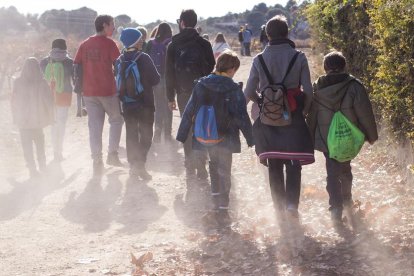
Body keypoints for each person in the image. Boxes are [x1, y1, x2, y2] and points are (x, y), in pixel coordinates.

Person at [244, 15, 314, 223]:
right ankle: (292, 205)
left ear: (267, 35)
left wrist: (264, 103)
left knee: (274, 162)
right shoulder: (299, 57)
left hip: (268, 117)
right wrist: (303, 110)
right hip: (293, 115)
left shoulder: (259, 59)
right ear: (287, 33)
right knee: (293, 161)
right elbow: (308, 90)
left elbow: (248, 91)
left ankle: (278, 209)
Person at [177, 51, 253, 226]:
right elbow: (241, 115)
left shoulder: (202, 84)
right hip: (226, 136)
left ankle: (215, 202)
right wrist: (251, 138)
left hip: (206, 135)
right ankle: (223, 209)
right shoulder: (233, 88)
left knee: (213, 166)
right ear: (232, 69)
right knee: (225, 170)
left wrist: (182, 134)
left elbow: (190, 110)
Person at [307, 51, 378, 224]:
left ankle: (335, 208)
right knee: (345, 168)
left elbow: (312, 115)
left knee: (332, 172)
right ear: (344, 66)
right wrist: (371, 135)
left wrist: (308, 138)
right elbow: (365, 113)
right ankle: (346, 200)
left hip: (326, 139)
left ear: (325, 68)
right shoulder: (354, 85)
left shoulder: (317, 87)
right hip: (348, 136)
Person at [165, 9, 215, 179]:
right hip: (203, 91)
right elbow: (211, 66)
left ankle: (189, 163)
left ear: (182, 23)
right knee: (200, 127)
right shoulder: (204, 44)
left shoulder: (173, 45)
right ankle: (201, 167)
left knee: (186, 127)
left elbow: (169, 74)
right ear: (195, 23)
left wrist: (170, 97)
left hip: (183, 92)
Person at [74, 14, 124, 175]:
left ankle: (97, 159)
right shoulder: (110, 44)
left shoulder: (84, 44)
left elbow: (77, 66)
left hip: (89, 93)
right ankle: (112, 154)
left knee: (94, 127)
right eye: (112, 24)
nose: (114, 28)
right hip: (107, 91)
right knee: (116, 120)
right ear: (104, 25)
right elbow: (119, 66)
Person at [116, 28, 160, 179]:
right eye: (140, 39)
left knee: (131, 135)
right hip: (145, 103)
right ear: (134, 41)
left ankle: (133, 165)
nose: (142, 41)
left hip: (127, 104)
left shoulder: (119, 59)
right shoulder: (144, 58)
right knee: (146, 134)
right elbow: (156, 80)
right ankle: (140, 164)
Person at [11, 57, 54, 178]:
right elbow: (49, 101)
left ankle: (32, 170)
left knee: (27, 147)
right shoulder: (42, 82)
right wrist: (51, 117)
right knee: (40, 144)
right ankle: (43, 167)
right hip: (37, 121)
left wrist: (15, 117)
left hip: (23, 121)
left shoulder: (17, 82)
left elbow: (14, 101)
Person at [40, 38, 74, 162]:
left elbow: (41, 80)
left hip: (49, 97)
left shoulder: (44, 61)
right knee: (61, 124)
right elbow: (74, 80)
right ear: (65, 48)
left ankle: (55, 150)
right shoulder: (70, 62)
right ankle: (58, 152)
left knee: (53, 124)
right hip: (64, 95)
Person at [145, 22, 173, 143]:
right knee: (169, 106)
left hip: (155, 80)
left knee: (158, 106)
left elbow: (144, 59)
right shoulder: (171, 43)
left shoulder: (150, 43)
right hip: (168, 79)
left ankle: (157, 131)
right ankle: (167, 134)